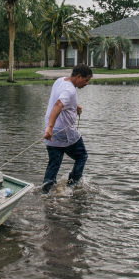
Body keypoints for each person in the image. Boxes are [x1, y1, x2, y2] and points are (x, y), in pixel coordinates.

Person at [42, 64, 93, 193]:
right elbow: (59, 104)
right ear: (78, 76)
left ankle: (46, 192)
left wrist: (75, 106)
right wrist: (50, 127)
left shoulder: (60, 81)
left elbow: (60, 99)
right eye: (86, 80)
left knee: (54, 163)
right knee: (82, 156)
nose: (86, 83)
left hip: (53, 132)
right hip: (62, 132)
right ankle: (72, 186)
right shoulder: (70, 90)